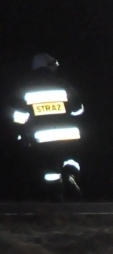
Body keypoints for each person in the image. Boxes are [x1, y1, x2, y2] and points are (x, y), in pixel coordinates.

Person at [9, 53, 86, 198]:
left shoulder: (26, 88)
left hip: (42, 138)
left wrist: (20, 136)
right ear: (48, 66)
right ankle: (70, 174)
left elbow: (20, 117)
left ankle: (56, 195)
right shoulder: (64, 84)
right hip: (69, 135)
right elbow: (78, 110)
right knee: (71, 158)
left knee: (50, 168)